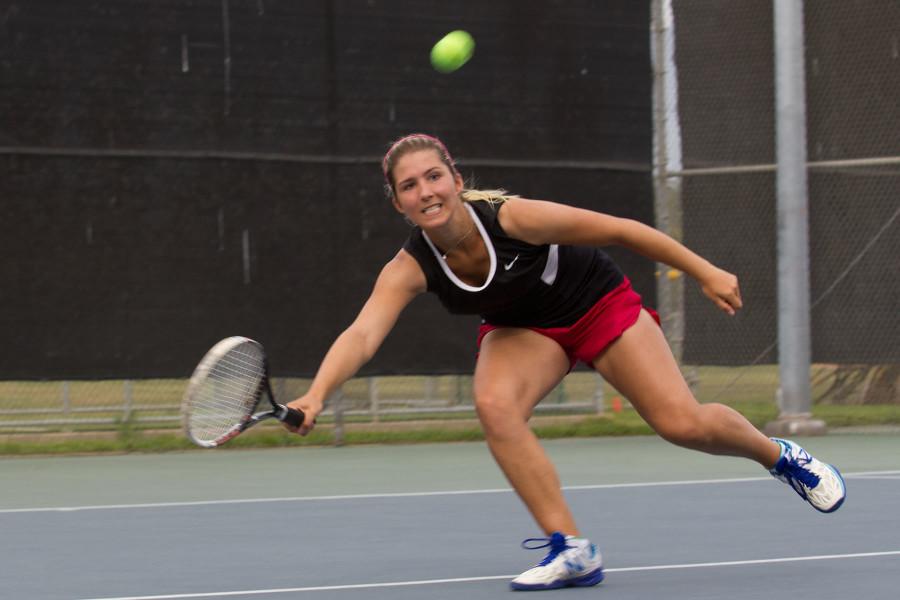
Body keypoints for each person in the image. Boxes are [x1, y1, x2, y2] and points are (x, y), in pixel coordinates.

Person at [285, 133, 846, 591]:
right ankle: (572, 548)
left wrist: (704, 271)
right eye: (409, 186)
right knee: (494, 405)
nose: (425, 191)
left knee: (683, 424)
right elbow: (361, 334)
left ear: (456, 180)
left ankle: (780, 456)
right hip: (526, 329)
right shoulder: (409, 267)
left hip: (596, 302)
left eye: (434, 177)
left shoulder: (514, 219)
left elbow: (622, 231)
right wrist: (316, 394)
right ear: (398, 203)